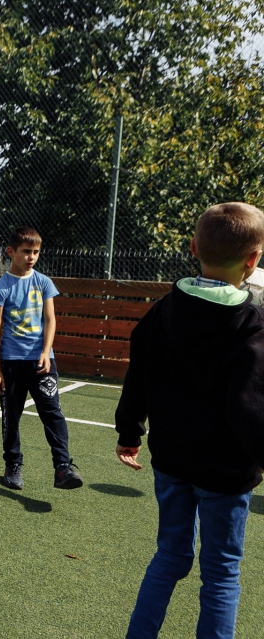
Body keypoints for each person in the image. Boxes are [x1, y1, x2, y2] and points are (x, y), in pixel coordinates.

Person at [115, 202, 264, 639]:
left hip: (171, 463)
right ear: (253, 260)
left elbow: (137, 374)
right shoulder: (252, 324)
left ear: (194, 247)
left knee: (170, 556)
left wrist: (129, 431)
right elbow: (249, 407)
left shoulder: (163, 310)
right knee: (221, 572)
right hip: (225, 473)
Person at [0, 226, 82, 491]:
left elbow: (50, 320)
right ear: (11, 251)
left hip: (42, 363)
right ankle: (13, 464)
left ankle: (62, 467)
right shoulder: (2, 287)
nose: (31, 257)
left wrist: (45, 351)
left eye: (36, 252)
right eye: (26, 251)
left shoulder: (44, 283)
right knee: (11, 416)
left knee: (52, 413)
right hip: (11, 363)